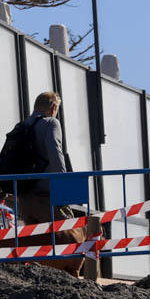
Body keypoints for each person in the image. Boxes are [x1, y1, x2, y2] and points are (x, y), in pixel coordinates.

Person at [11, 92, 96, 278]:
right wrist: (64, 185)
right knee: (66, 236)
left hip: (24, 195)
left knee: (35, 243)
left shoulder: (21, 126)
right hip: (47, 193)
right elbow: (55, 155)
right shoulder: (51, 123)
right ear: (53, 108)